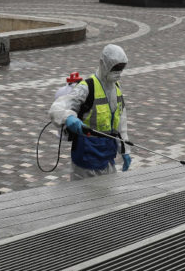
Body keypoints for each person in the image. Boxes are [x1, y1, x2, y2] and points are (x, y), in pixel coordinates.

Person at [49, 44, 131, 180]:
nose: (118, 72)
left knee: (108, 197)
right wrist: (68, 117)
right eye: (115, 68)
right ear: (104, 65)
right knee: (84, 198)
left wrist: (125, 150)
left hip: (107, 157)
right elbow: (57, 107)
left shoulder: (116, 88)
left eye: (121, 68)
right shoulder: (86, 88)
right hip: (85, 160)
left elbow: (120, 120)